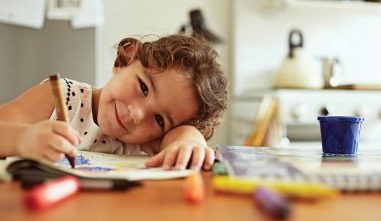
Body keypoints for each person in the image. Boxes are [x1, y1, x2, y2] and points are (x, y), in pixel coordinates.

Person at [0, 34, 228, 171]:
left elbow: (183, 137)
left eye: (159, 119)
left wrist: (190, 143)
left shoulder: (148, 141)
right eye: (144, 87)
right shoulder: (62, 96)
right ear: (126, 59)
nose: (138, 114)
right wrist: (22, 140)